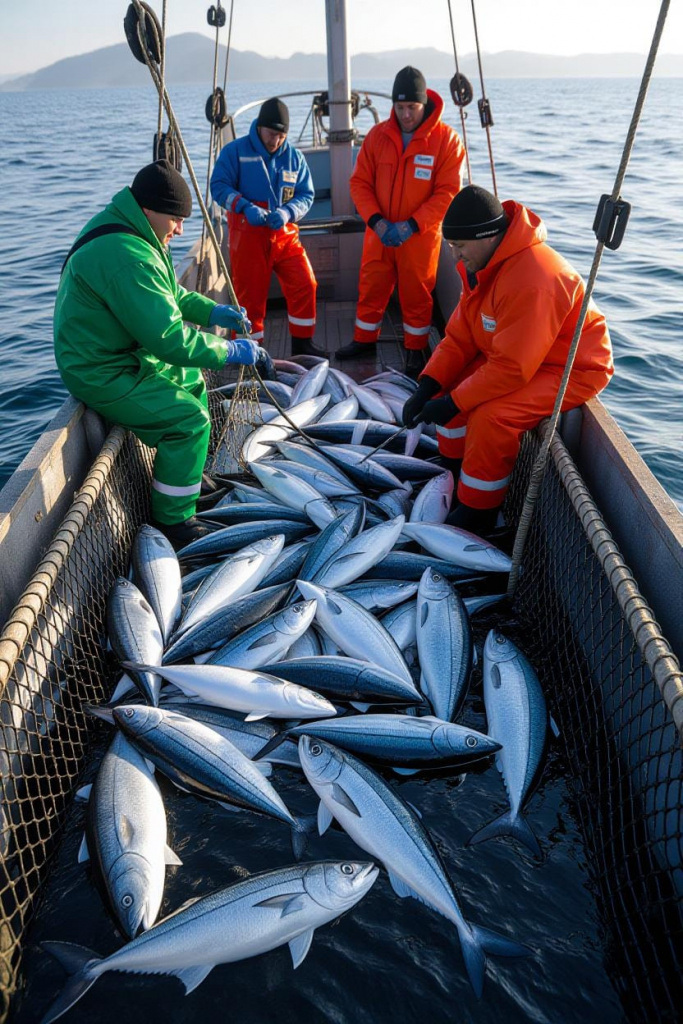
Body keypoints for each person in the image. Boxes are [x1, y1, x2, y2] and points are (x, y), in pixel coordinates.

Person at [54, 159, 265, 549]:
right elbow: (170, 341)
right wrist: (230, 350)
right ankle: (173, 522)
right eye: (175, 219)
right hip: (99, 367)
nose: (180, 229)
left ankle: (188, 479)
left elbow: (169, 294)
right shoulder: (128, 255)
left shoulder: (135, 230)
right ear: (150, 209)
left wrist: (212, 311)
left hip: (125, 349)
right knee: (188, 420)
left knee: (192, 382)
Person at [402, 184, 613, 535]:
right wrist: (429, 386)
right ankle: (453, 472)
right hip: (514, 353)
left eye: (460, 247)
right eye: (451, 246)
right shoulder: (482, 267)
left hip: (570, 365)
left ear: (487, 237)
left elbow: (512, 369)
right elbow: (460, 337)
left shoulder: (532, 279)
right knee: (450, 391)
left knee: (492, 417)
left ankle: (477, 513)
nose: (454, 256)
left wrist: (454, 402)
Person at [337, 66, 466, 376]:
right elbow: (359, 183)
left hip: (419, 236)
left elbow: (448, 192)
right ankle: (364, 340)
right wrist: (377, 221)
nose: (406, 114)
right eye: (400, 107)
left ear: (424, 104)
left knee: (417, 293)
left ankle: (415, 350)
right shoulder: (377, 136)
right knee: (371, 286)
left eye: (412, 107)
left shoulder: (447, 141)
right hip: (379, 233)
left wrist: (412, 225)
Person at [210, 97, 324, 358]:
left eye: (281, 135)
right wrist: (244, 205)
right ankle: (251, 355)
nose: (276, 141)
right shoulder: (235, 152)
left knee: (305, 283)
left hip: (285, 236)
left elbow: (306, 195)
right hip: (248, 238)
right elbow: (218, 187)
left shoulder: (294, 157)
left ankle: (302, 346)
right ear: (259, 127)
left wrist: (287, 212)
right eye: (272, 133)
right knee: (249, 303)